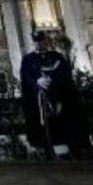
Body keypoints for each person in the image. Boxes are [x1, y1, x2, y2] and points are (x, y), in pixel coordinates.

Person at [19, 30, 87, 159]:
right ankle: (46, 149)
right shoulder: (28, 59)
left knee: (66, 122)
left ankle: (72, 149)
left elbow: (65, 74)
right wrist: (37, 81)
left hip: (60, 95)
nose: (39, 44)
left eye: (41, 41)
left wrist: (53, 82)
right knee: (44, 125)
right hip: (39, 97)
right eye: (36, 42)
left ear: (46, 42)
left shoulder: (56, 56)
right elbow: (26, 76)